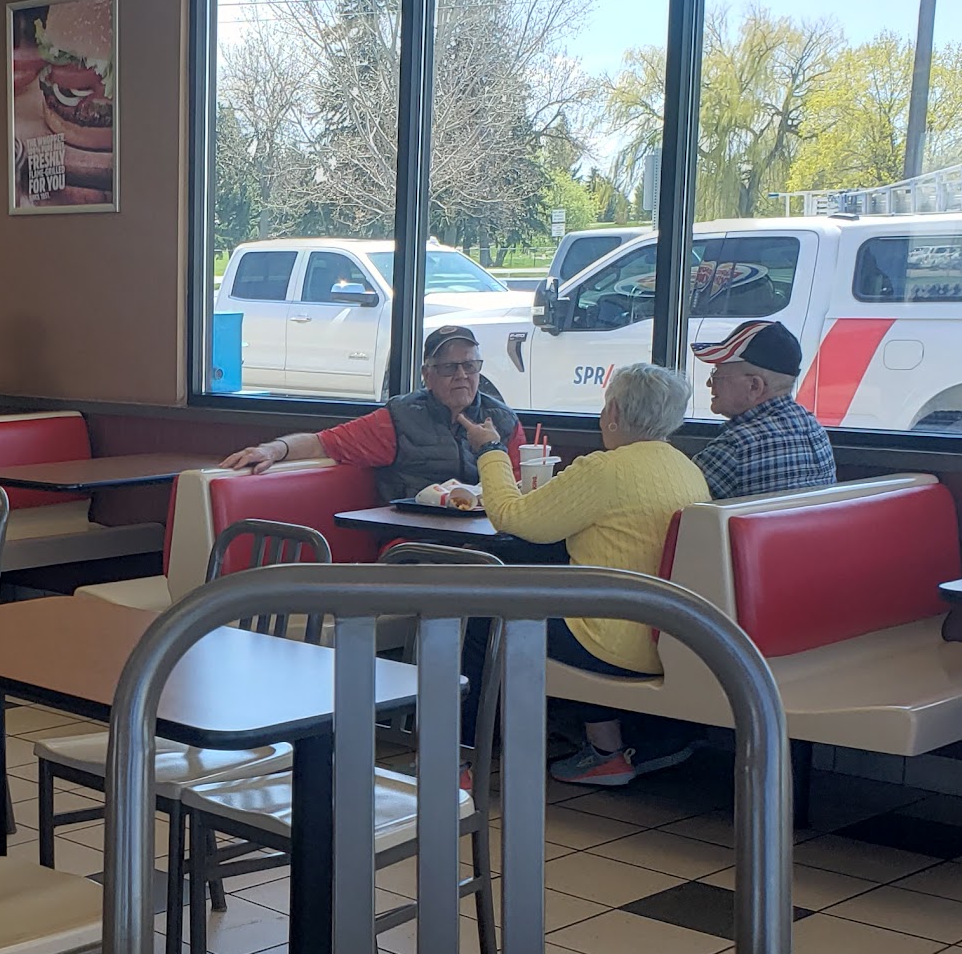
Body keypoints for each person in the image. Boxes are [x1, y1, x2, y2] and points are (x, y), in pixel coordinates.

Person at [460, 362, 709, 789]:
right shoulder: (685, 468)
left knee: (479, 618)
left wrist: (491, 450)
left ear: (613, 412)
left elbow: (511, 516)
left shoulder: (604, 469)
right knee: (581, 594)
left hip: (610, 645)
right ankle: (606, 754)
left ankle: (455, 760)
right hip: (666, 637)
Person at [220, 325, 518, 499]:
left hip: (488, 540)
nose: (462, 376)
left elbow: (519, 492)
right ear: (427, 375)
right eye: (449, 368)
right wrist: (273, 450)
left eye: (470, 366)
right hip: (415, 544)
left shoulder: (504, 421)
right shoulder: (398, 419)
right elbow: (322, 442)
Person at [690, 319, 835, 499]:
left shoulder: (735, 448)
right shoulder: (814, 430)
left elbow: (672, 502)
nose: (709, 383)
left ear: (754, 386)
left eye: (717, 375)